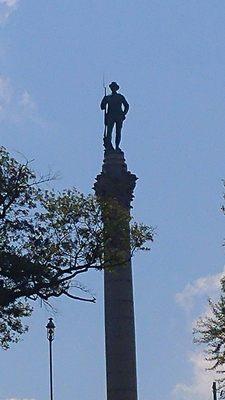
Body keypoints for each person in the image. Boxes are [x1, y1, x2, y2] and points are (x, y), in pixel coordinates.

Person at [101, 82, 129, 150]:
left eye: (114, 87)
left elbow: (126, 106)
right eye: (112, 87)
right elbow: (102, 107)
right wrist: (104, 100)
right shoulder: (107, 97)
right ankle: (109, 146)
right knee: (109, 132)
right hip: (111, 116)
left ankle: (117, 147)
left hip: (119, 116)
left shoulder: (120, 96)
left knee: (118, 132)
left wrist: (123, 114)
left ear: (116, 88)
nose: (113, 88)